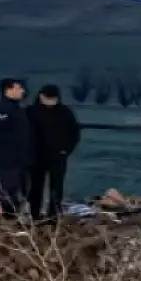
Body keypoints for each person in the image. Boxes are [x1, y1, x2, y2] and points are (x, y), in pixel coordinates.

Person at [26, 84, 82, 222]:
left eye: (54, 99)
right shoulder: (30, 112)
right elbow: (23, 134)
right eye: (48, 98)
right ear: (41, 96)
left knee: (56, 187)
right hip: (36, 157)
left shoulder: (65, 112)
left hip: (58, 156)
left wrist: (66, 150)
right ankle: (34, 214)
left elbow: (74, 133)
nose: (51, 102)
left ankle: (54, 215)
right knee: (35, 187)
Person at [0, 78, 33, 219]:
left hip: (21, 158)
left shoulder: (18, 109)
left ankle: (20, 215)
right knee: (11, 189)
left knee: (24, 188)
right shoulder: (2, 108)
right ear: (9, 90)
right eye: (19, 88)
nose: (22, 91)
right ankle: (10, 217)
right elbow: (2, 134)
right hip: (8, 159)